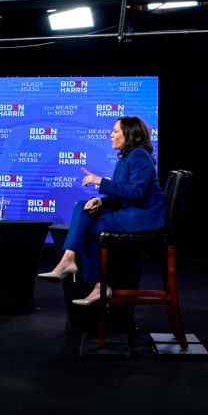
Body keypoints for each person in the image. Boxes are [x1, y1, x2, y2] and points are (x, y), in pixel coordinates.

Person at [38, 116, 165, 305]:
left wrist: (100, 182)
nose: (111, 135)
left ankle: (86, 274)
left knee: (88, 224)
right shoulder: (125, 158)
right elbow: (119, 194)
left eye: (115, 131)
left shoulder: (139, 155)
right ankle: (75, 264)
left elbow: (137, 193)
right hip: (131, 211)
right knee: (84, 206)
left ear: (129, 134)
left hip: (145, 216)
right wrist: (99, 201)